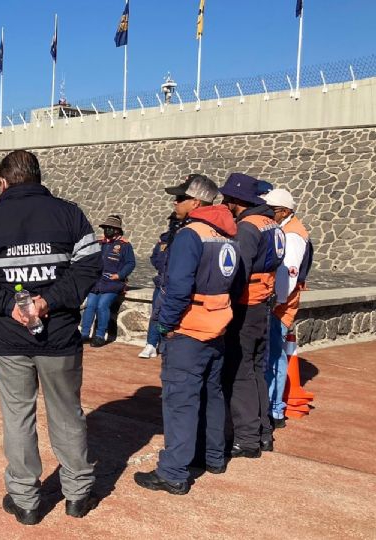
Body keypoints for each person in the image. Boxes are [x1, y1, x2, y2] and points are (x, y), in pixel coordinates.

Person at [0, 150, 102, 525]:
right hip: (60, 337)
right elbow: (90, 266)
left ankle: (26, 501)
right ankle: (77, 495)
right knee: (67, 414)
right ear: (38, 178)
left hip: (9, 340)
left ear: (3, 183)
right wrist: (47, 302)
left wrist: (10, 306)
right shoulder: (70, 214)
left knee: (18, 417)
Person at [134, 174, 240, 495]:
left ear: (196, 202)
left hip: (189, 331)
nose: (174, 203)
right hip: (217, 328)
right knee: (212, 395)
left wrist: (164, 325)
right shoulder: (227, 235)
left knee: (180, 401)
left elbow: (179, 289)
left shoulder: (190, 236)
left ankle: (173, 472)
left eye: (179, 198)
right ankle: (212, 457)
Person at [219, 173, 285, 458]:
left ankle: (246, 439)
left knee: (241, 372)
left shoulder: (247, 228)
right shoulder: (272, 224)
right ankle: (263, 433)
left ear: (236, 201)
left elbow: (237, 271)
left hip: (246, 305)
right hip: (263, 305)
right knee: (256, 370)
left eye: (227, 199)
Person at [262, 188, 313, 429]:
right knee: (275, 356)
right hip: (280, 306)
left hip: (279, 308)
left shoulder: (292, 235)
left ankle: (274, 408)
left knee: (274, 358)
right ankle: (274, 407)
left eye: (271, 210)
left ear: (284, 211)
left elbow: (287, 274)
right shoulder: (287, 229)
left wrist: (276, 302)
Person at [79, 215, 134, 347]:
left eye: (110, 228)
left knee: (102, 306)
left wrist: (119, 275)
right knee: (90, 306)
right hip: (97, 282)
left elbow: (130, 263)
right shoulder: (100, 244)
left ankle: (99, 336)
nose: (107, 230)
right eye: (106, 227)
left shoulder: (124, 245)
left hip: (113, 283)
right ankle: (84, 334)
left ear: (117, 230)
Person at [139, 210, 183, 359]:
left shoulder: (185, 238)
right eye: (172, 221)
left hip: (175, 284)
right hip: (161, 283)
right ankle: (151, 344)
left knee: (170, 315)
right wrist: (160, 266)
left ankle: (165, 345)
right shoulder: (163, 240)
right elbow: (154, 257)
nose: (173, 224)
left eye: (176, 221)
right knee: (155, 315)